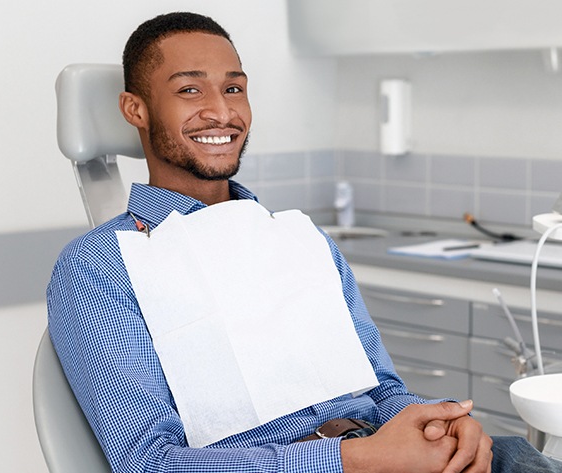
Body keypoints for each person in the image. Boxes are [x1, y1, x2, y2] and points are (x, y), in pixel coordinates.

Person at [47, 11, 562, 473]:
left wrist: (442, 428)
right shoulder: (101, 265)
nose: (221, 112)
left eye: (233, 89)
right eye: (189, 90)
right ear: (135, 110)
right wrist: (352, 459)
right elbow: (148, 465)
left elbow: (381, 391)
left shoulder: (298, 238)